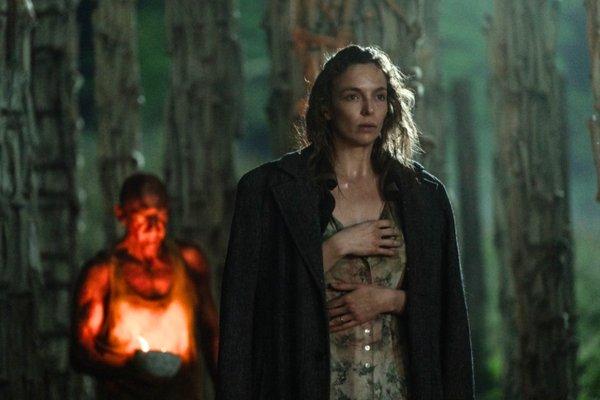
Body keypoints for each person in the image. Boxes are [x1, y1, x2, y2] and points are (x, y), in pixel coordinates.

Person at [217, 44, 474, 399]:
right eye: (353, 96)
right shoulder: (269, 191)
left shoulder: (422, 196)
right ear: (326, 107)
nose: (369, 109)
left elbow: (451, 318)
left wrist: (390, 300)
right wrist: (337, 246)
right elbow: (245, 315)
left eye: (379, 96)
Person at [71, 173, 218, 400]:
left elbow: (212, 333)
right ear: (121, 214)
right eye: (143, 215)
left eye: (160, 214)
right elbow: (82, 351)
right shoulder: (102, 273)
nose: (154, 225)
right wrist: (130, 366)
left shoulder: (189, 261)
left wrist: (228, 386)